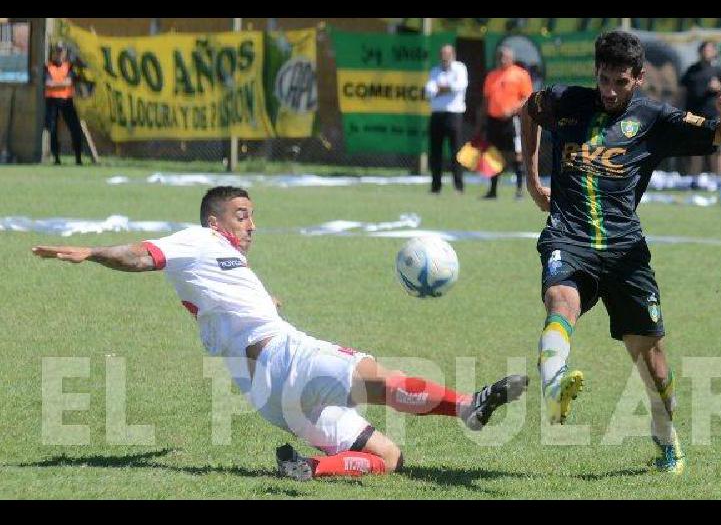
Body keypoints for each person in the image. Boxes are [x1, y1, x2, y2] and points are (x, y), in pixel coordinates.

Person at [31, 186, 528, 481]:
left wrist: (266, 302)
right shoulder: (198, 239)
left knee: (389, 458)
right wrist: (92, 253)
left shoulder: (221, 267)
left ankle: (311, 470)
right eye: (241, 215)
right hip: (285, 354)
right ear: (214, 219)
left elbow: (222, 304)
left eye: (252, 216)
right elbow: (142, 255)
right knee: (376, 378)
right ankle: (469, 406)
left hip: (264, 392)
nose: (251, 225)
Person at [521, 31, 721, 474]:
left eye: (619, 82)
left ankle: (666, 440)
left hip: (626, 252)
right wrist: (532, 179)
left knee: (655, 367)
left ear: (638, 79)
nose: (608, 90)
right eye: (603, 79)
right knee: (560, 299)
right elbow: (528, 110)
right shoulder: (565, 101)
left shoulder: (655, 118)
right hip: (570, 236)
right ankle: (553, 386)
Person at [476, 46, 533, 200]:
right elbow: (486, 100)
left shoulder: (520, 75)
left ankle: (519, 190)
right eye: (500, 56)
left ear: (512, 58)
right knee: (493, 154)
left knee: (517, 154)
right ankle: (493, 191)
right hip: (493, 121)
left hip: (512, 121)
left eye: (505, 56)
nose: (502, 59)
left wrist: (513, 109)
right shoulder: (491, 76)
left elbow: (527, 98)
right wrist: (482, 121)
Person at [680, 41, 721, 181]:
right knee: (696, 149)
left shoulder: (719, 71)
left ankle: (718, 181)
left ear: (714, 52)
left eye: (709, 50)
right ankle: (694, 181)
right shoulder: (691, 70)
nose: (706, 53)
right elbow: (681, 92)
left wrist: (719, 87)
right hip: (694, 115)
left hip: (714, 115)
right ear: (699, 52)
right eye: (704, 50)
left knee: (717, 148)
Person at [424, 44, 468, 194]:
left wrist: (441, 89)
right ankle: (436, 187)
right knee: (435, 152)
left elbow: (459, 86)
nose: (445, 57)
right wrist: (445, 89)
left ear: (453, 55)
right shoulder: (435, 71)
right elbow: (429, 92)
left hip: (453, 115)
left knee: (456, 152)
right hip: (437, 115)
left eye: (447, 54)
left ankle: (458, 186)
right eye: (442, 54)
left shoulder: (460, 68)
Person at [44, 41, 83, 166]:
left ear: (65, 53)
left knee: (75, 129)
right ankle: (56, 158)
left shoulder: (69, 66)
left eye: (62, 51)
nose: (59, 54)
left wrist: (56, 83)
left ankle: (78, 158)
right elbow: (48, 83)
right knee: (53, 130)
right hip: (52, 101)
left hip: (67, 101)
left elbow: (70, 81)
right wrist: (63, 83)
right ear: (54, 53)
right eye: (57, 51)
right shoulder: (48, 66)